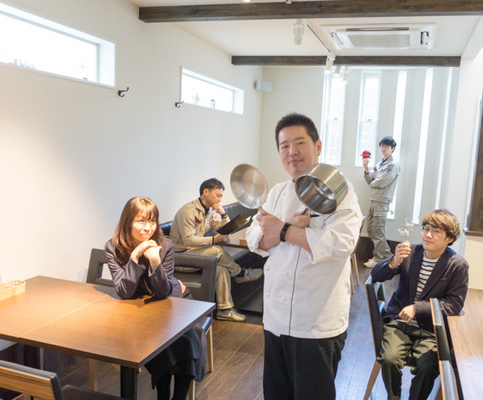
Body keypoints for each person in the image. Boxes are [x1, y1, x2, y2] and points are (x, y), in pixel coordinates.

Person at [245, 112, 363, 400]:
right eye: (284, 146)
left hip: (315, 324)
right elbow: (253, 237)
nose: (292, 152)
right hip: (275, 320)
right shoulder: (277, 192)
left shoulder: (340, 192)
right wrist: (286, 228)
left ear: (317, 146)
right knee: (276, 394)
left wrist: (284, 231)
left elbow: (342, 244)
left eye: (299, 143)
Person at [105, 196, 205, 400]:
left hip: (173, 301)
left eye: (152, 221)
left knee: (186, 337)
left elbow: (163, 291)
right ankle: (163, 394)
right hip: (139, 308)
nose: (147, 228)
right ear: (128, 222)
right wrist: (135, 257)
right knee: (159, 339)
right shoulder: (113, 247)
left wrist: (155, 261)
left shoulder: (164, 245)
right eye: (140, 221)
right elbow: (124, 291)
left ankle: (178, 397)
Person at [370, 209, 469, 400]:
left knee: (428, 367)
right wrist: (394, 261)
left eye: (436, 231)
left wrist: (418, 308)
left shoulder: (457, 265)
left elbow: (455, 304)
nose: (428, 235)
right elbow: (376, 275)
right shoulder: (411, 253)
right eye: (426, 228)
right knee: (389, 359)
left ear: (449, 239)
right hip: (399, 323)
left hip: (431, 330)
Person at [169, 178, 262, 323]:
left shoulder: (210, 211)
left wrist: (222, 212)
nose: (220, 199)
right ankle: (240, 273)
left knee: (221, 269)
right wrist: (214, 240)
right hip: (181, 257)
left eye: (221, 196)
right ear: (206, 192)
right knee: (217, 250)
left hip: (196, 254)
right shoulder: (188, 211)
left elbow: (224, 229)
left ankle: (225, 310)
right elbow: (188, 241)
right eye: (218, 195)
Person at [363, 136, 400, 267]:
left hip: (382, 201)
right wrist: (366, 169)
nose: (383, 148)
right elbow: (371, 180)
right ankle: (389, 257)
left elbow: (382, 182)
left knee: (378, 231)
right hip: (374, 199)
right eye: (382, 146)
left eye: (386, 146)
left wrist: (373, 182)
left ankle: (378, 259)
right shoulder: (379, 164)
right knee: (371, 229)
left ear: (392, 148)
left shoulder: (393, 165)